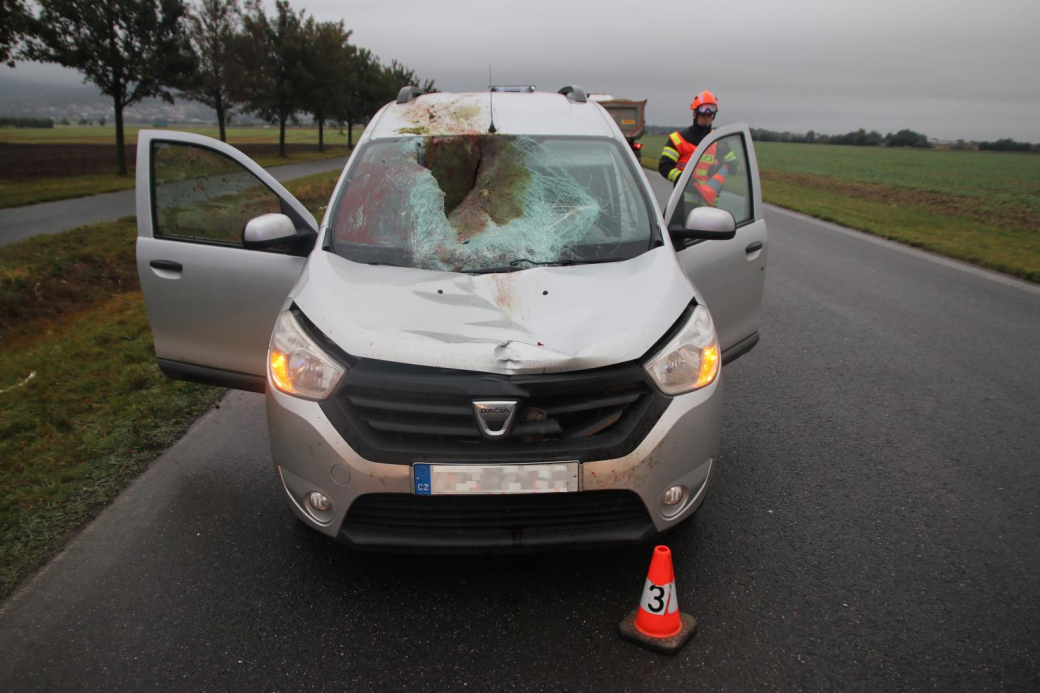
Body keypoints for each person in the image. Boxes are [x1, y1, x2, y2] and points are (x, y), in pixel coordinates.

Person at [658, 90, 738, 209]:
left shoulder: (719, 141)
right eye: (703, 115)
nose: (706, 118)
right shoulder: (678, 140)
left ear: (713, 116)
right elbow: (664, 167)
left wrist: (725, 168)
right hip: (684, 204)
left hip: (710, 206)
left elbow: (733, 165)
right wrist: (684, 180)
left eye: (709, 116)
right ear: (695, 114)